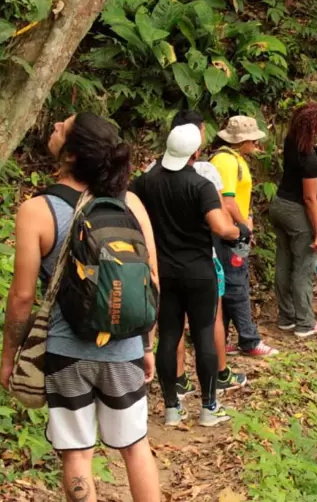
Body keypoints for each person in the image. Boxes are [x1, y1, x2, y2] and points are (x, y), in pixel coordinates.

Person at [0, 113, 161, 501]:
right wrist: (147, 344)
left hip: (65, 351)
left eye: (62, 127)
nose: (54, 125)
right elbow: (152, 281)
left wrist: (9, 356)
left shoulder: (36, 211)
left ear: (71, 155)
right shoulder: (131, 204)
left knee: (76, 453)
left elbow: (22, 298)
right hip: (123, 348)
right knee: (135, 446)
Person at [131, 123, 248, 427]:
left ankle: (172, 408)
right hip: (198, 271)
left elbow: (128, 207)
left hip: (163, 272)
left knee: (169, 335)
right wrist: (241, 231)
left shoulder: (145, 182)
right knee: (204, 334)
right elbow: (221, 228)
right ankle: (209, 408)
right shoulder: (200, 185)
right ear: (196, 152)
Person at [210, 115, 279, 355]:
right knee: (236, 282)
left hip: (237, 232)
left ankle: (226, 338)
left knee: (233, 280)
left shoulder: (233, 159)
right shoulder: (226, 161)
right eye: (253, 140)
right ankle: (249, 339)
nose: (256, 145)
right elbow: (227, 200)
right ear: (244, 141)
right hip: (229, 233)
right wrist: (244, 227)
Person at [269, 104, 317, 337]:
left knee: (284, 261)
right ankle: (305, 322)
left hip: (279, 205)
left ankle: (286, 317)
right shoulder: (308, 159)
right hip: (296, 210)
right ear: (312, 124)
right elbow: (309, 198)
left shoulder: (292, 140)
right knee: (303, 266)